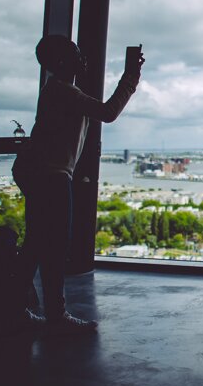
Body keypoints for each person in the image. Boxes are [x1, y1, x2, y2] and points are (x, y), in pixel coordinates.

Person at [12, 34, 143, 333]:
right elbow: (108, 112)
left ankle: (15, 309)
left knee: (35, 244)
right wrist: (130, 79)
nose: (82, 59)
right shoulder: (64, 92)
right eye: (75, 53)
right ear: (61, 61)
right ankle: (55, 316)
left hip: (42, 175)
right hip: (53, 178)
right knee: (54, 248)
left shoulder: (56, 91)